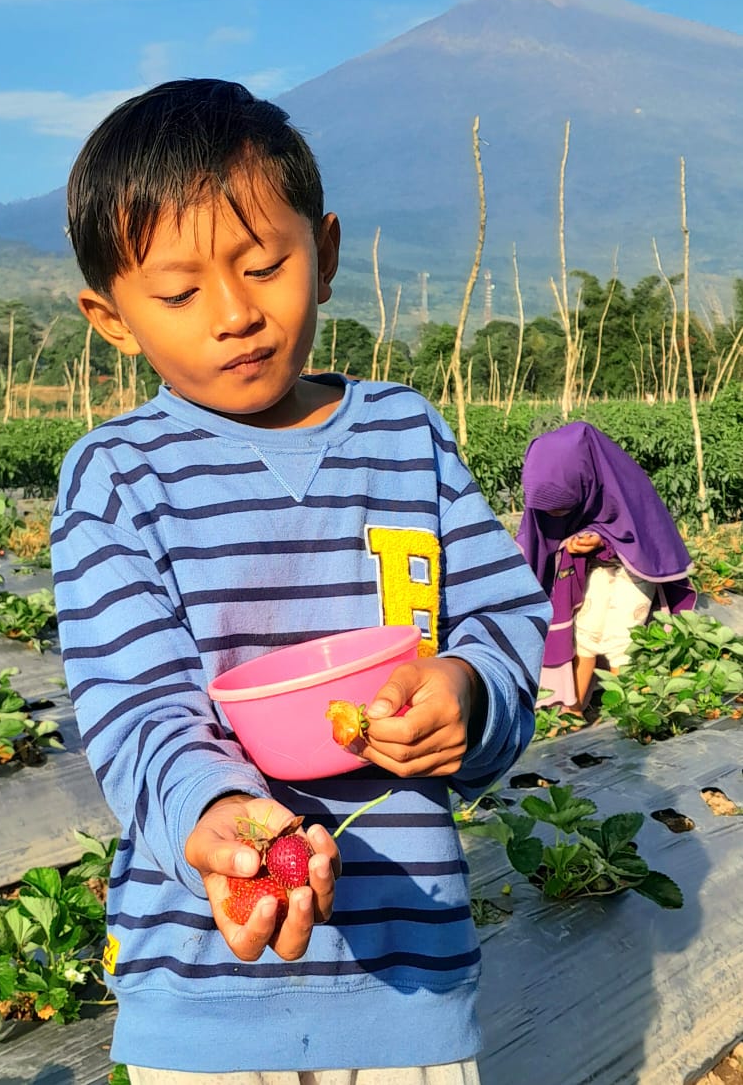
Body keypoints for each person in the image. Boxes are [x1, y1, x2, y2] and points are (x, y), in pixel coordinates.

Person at [50, 78, 551, 1085]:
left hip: (408, 980)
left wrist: (467, 692)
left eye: (264, 266)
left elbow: (503, 616)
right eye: (180, 294)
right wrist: (219, 821)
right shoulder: (119, 477)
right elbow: (136, 705)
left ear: (323, 253)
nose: (235, 314)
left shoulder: (406, 437)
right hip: (208, 975)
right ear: (111, 318)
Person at [516, 421, 696, 712]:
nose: (556, 516)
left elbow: (640, 534)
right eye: (550, 511)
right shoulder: (546, 487)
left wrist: (601, 538)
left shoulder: (624, 485)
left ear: (584, 481)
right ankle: (572, 710)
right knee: (585, 634)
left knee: (621, 639)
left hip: (635, 564)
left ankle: (629, 712)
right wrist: (572, 543)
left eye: (563, 508)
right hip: (594, 566)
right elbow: (536, 543)